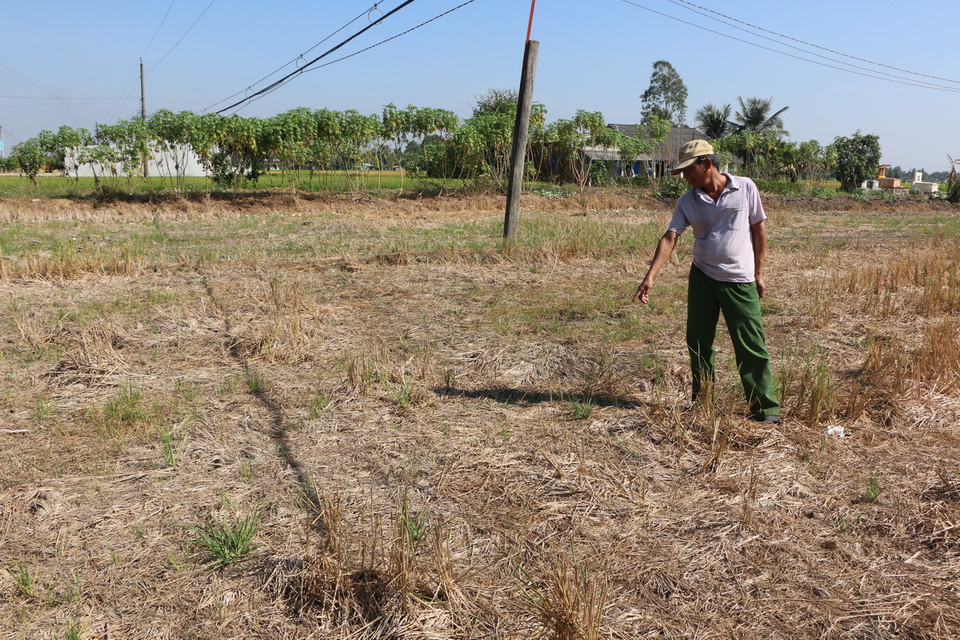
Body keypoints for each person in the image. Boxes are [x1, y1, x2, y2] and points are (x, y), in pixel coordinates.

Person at [634, 139, 781, 423]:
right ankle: (703, 403)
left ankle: (765, 408)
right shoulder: (688, 200)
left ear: (707, 164)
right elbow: (670, 238)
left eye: (688, 170)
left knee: (751, 344)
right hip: (702, 277)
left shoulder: (745, 187)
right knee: (699, 342)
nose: (685, 177)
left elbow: (759, 230)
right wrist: (650, 276)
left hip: (739, 279)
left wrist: (759, 274)